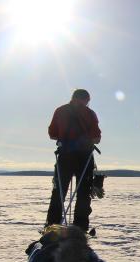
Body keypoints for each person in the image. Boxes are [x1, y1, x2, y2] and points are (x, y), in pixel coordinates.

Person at [45, 89, 101, 231]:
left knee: (59, 192)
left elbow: (52, 134)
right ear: (86, 99)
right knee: (83, 194)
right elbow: (97, 138)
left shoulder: (61, 111)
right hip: (85, 158)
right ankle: (80, 229)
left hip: (65, 156)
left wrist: (66, 137)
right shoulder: (90, 114)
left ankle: (52, 227)